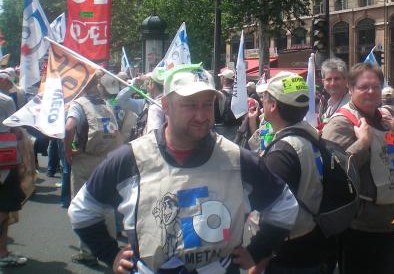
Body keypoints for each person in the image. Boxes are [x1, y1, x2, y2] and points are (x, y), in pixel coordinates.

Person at [68, 64, 299, 273]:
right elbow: (82, 210)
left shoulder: (238, 159)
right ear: (166, 106)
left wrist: (258, 250)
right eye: (189, 105)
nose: (201, 115)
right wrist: (110, 254)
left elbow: (284, 206)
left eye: (207, 104)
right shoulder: (129, 159)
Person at [322, 63, 394, 274]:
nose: (371, 92)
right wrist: (362, 143)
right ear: (350, 89)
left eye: (376, 86)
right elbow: (331, 173)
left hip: (390, 222)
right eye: (364, 87)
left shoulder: (383, 118)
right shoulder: (341, 123)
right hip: (359, 227)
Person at [250, 72, 332, 273]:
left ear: (273, 106)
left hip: (288, 254)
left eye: (265, 97)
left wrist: (256, 265)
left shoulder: (282, 152)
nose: (262, 100)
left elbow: (274, 215)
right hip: (313, 242)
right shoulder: (310, 134)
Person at [64, 74, 121, 266]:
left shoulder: (78, 104)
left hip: (86, 159)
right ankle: (110, 246)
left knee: (83, 205)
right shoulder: (104, 102)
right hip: (106, 158)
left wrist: (68, 151)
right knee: (106, 204)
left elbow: (69, 127)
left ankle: (88, 251)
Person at [0, 72, 27, 267]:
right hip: (4, 162)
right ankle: (2, 253)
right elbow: (16, 130)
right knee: (4, 207)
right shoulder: (6, 101)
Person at [116, 67, 165, 140]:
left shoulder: (151, 105)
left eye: (147, 82)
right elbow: (120, 100)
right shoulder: (146, 103)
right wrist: (135, 86)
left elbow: (120, 100)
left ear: (151, 84)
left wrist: (135, 86)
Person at [318, 58, 350, 130]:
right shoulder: (326, 104)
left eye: (337, 79)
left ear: (346, 80)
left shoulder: (352, 104)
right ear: (323, 82)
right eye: (329, 79)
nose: (333, 83)